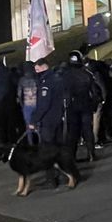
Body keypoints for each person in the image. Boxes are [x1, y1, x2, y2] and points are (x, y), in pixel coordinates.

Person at [28, 58, 80, 188]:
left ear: (43, 67)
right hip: (59, 119)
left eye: (37, 70)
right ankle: (67, 174)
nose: (36, 72)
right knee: (59, 150)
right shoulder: (59, 79)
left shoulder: (46, 82)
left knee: (47, 151)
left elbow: (43, 105)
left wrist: (34, 120)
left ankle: (51, 179)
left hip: (48, 122)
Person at [62, 50, 97, 163]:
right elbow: (94, 92)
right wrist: (94, 105)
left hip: (72, 107)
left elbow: (64, 93)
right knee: (87, 131)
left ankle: (72, 156)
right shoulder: (87, 74)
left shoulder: (65, 76)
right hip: (86, 105)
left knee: (72, 133)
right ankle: (91, 153)